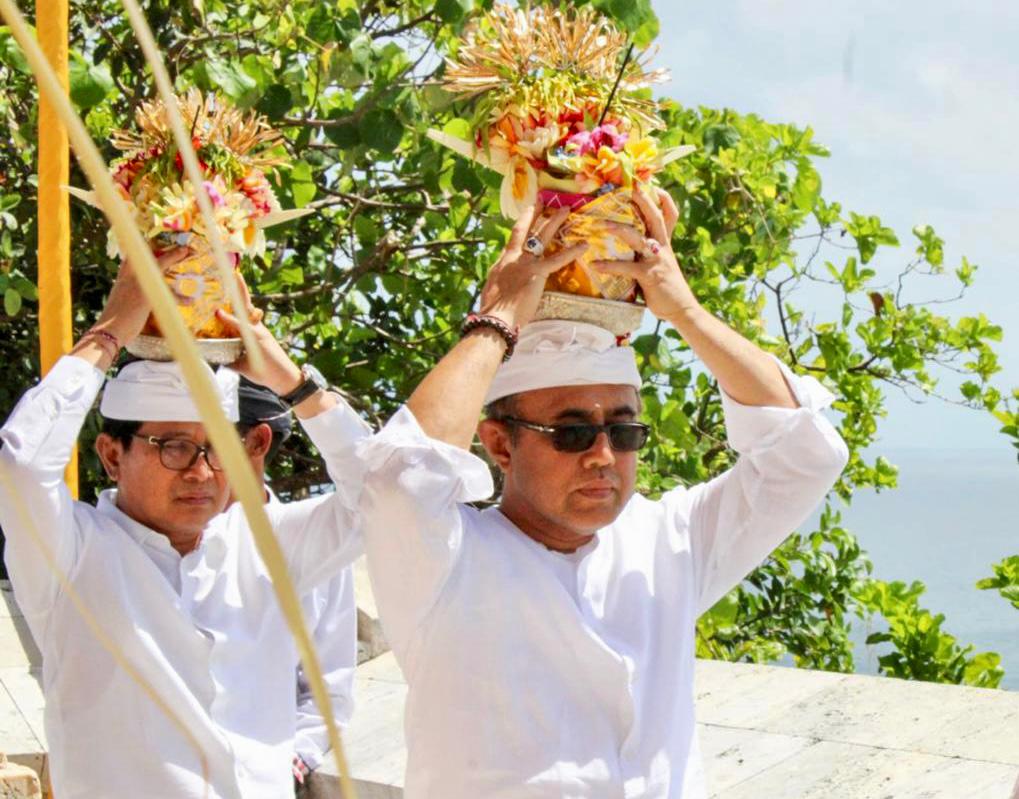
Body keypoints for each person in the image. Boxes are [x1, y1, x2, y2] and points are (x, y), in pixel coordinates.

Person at [354, 189, 850, 798]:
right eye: (572, 432)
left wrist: (686, 313)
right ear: (500, 445)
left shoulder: (668, 542)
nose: (603, 455)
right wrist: (499, 318)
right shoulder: (444, 561)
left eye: (623, 429)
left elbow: (807, 455)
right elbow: (397, 479)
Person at [0, 250, 366, 799]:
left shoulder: (270, 543)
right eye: (173, 447)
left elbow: (390, 497)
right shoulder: (71, 555)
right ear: (111, 455)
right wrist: (110, 332)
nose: (201, 471)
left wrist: (290, 380)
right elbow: (25, 462)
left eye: (218, 448)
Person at [233, 378, 361, 789]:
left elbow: (329, 692)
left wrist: (293, 758)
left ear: (257, 442)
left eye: (204, 439)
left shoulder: (313, 541)